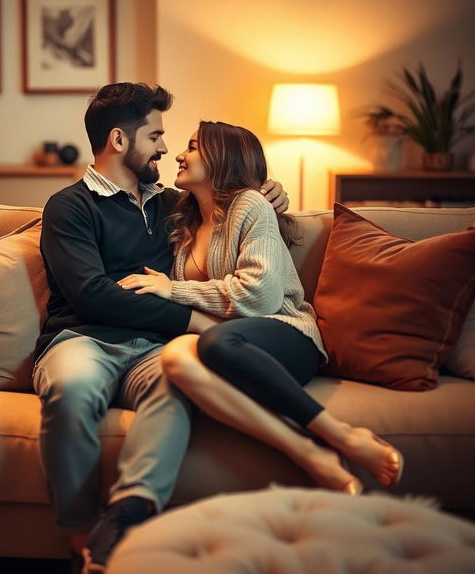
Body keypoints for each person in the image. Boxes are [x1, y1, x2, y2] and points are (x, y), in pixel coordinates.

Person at [33, 83, 288, 573]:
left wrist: (270, 192)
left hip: (155, 349)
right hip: (83, 341)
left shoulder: (175, 204)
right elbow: (92, 294)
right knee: (71, 387)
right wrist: (190, 318)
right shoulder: (69, 207)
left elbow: (232, 209)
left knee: (179, 387)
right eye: (156, 135)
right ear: (120, 141)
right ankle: (82, 538)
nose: (166, 148)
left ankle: (128, 518)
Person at [119, 120, 405, 499]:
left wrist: (174, 289)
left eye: (191, 146)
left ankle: (342, 434)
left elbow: (260, 297)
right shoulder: (184, 222)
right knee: (174, 359)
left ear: (222, 156)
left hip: (284, 336)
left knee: (217, 345)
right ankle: (306, 452)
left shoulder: (248, 204)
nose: (178, 155)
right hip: (220, 340)